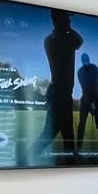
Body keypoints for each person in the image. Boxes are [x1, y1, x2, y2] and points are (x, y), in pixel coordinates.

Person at [37, 10, 83, 157]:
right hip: (60, 93)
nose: (70, 22)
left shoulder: (49, 40)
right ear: (61, 21)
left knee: (66, 132)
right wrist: (67, 28)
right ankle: (25, 158)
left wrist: (64, 28)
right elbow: (80, 40)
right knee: (52, 133)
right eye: (67, 19)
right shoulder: (64, 39)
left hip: (59, 92)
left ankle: (71, 159)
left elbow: (78, 41)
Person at [78, 51, 98, 148]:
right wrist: (90, 103)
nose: (85, 62)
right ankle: (79, 147)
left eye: (86, 60)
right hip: (87, 99)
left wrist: (94, 103)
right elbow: (86, 88)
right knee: (82, 124)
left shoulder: (92, 68)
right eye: (84, 61)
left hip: (95, 98)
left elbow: (95, 86)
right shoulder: (82, 71)